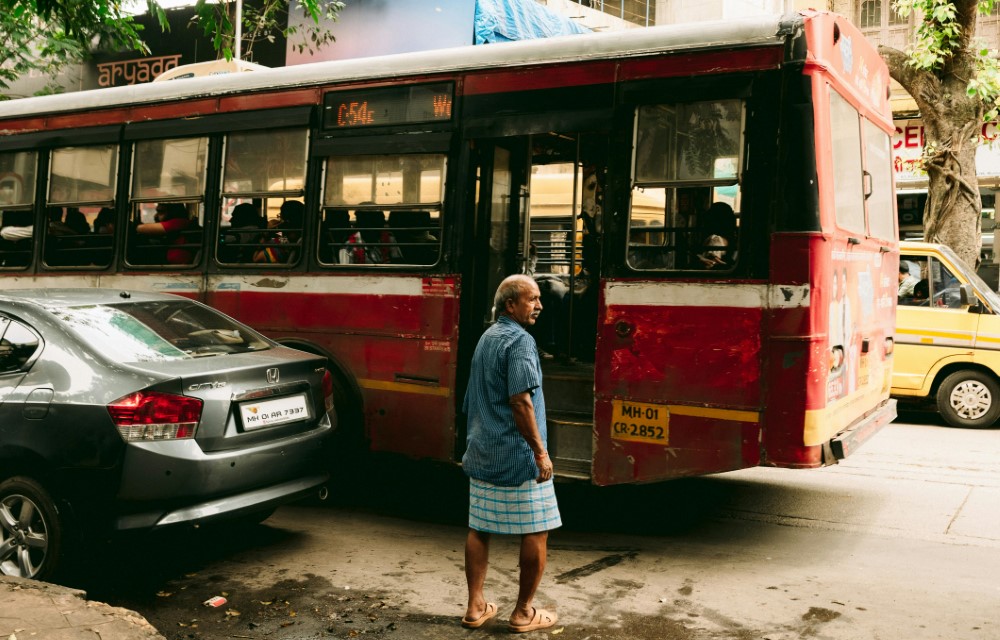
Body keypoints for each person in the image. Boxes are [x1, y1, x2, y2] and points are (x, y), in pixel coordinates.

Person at [461, 274, 561, 634]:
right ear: (510, 305)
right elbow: (521, 401)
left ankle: (475, 607)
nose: (539, 306)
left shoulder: (487, 336)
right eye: (532, 299)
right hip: (518, 457)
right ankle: (522, 613)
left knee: (479, 528)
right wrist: (540, 452)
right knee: (537, 530)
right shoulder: (521, 342)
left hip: (483, 451)